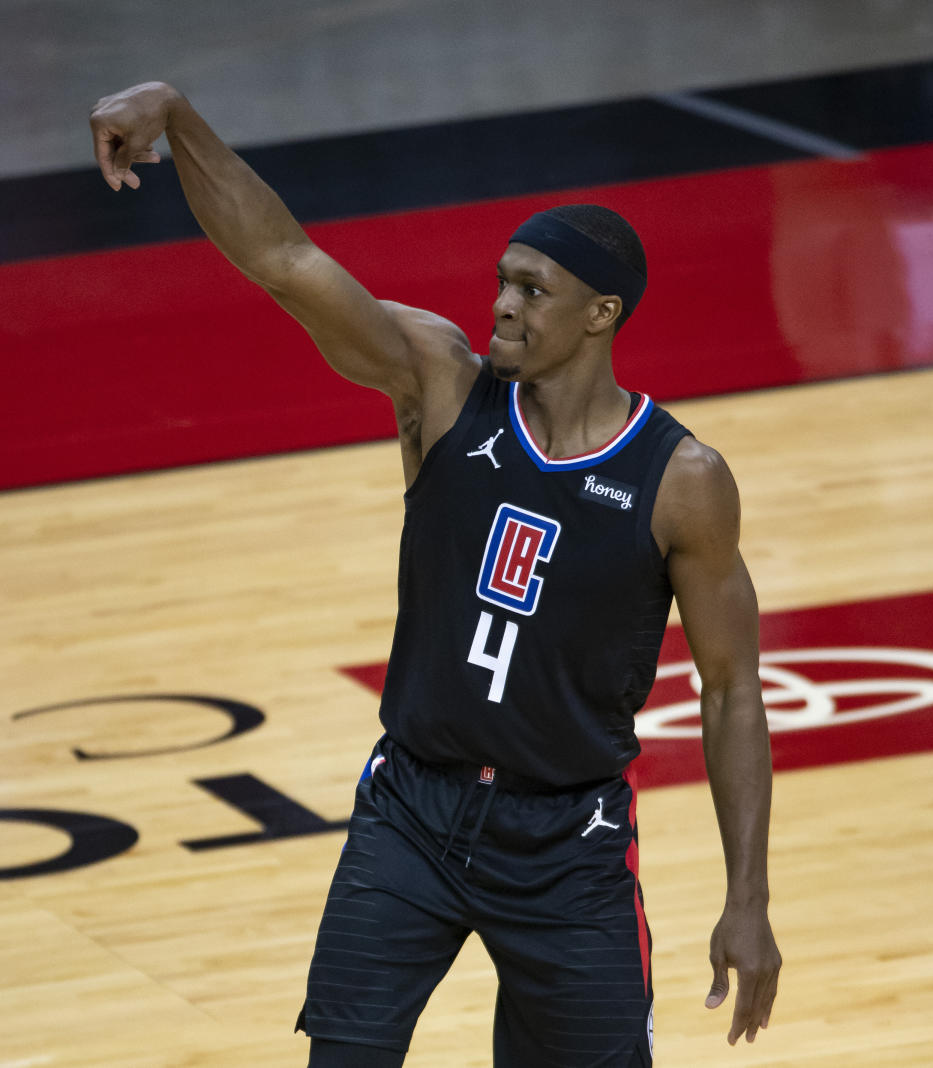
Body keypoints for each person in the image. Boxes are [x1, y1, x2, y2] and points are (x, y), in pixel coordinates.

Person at [90, 82, 782, 1067]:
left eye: (533, 290)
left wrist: (746, 900)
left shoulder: (682, 481)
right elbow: (285, 261)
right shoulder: (442, 384)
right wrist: (181, 119)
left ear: (601, 315)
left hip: (567, 842)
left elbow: (733, 689)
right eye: (503, 278)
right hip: (410, 812)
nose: (501, 301)